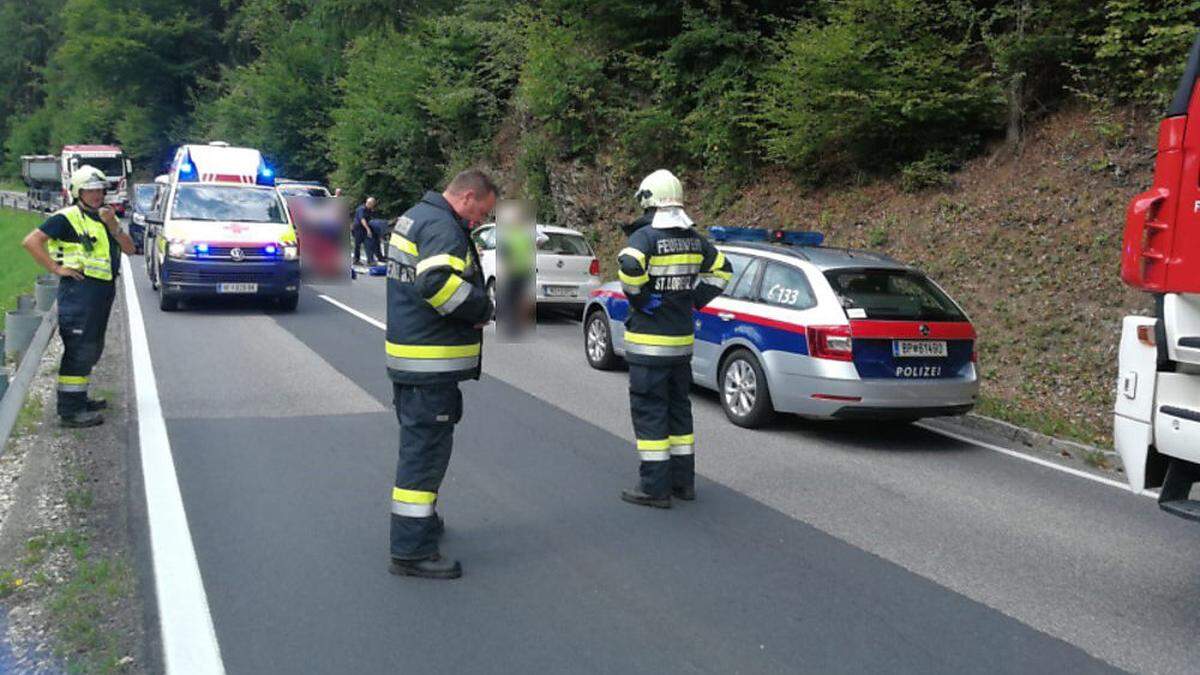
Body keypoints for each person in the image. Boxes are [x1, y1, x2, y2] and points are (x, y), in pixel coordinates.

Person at [384, 169, 496, 579]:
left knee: (421, 449)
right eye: (479, 214)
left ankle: (422, 522)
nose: (477, 222)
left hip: (412, 357)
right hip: (429, 362)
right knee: (424, 455)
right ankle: (411, 550)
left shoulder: (415, 216)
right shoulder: (441, 227)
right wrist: (481, 310)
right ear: (467, 197)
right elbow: (436, 283)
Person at [616, 169, 732, 508]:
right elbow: (723, 270)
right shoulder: (694, 239)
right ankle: (684, 484)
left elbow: (628, 263)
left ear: (649, 201)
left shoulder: (647, 237)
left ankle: (654, 489)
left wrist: (639, 298)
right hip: (681, 345)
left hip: (649, 347)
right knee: (680, 413)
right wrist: (695, 298)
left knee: (651, 413)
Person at [21, 166, 135, 428]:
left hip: (101, 292)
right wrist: (55, 268)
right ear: (78, 192)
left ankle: (79, 399)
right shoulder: (66, 217)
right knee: (79, 349)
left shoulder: (105, 218)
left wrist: (114, 226)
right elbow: (31, 241)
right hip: (79, 292)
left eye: (99, 190)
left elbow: (130, 249)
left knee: (92, 348)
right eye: (90, 191)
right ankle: (70, 411)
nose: (96, 195)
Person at [353, 196, 377, 267]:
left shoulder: (369, 210)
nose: (373, 206)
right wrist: (368, 229)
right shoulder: (361, 209)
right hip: (358, 229)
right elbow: (362, 219)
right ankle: (356, 260)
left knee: (369, 243)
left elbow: (370, 219)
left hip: (364, 229)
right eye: (373, 204)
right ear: (369, 203)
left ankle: (370, 261)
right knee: (358, 245)